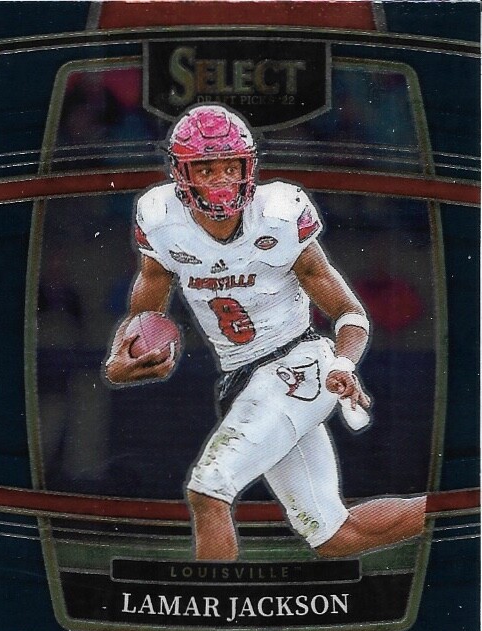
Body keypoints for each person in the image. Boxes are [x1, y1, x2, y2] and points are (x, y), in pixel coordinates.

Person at [105, 104, 425, 561]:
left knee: (209, 489)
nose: (221, 179)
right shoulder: (160, 217)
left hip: (296, 366)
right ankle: (462, 509)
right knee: (336, 537)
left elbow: (349, 313)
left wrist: (343, 363)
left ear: (248, 166)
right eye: (206, 168)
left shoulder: (278, 213)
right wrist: (120, 359)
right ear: (182, 173)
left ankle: (209, 601)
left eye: (230, 166)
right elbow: (146, 311)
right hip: (243, 377)